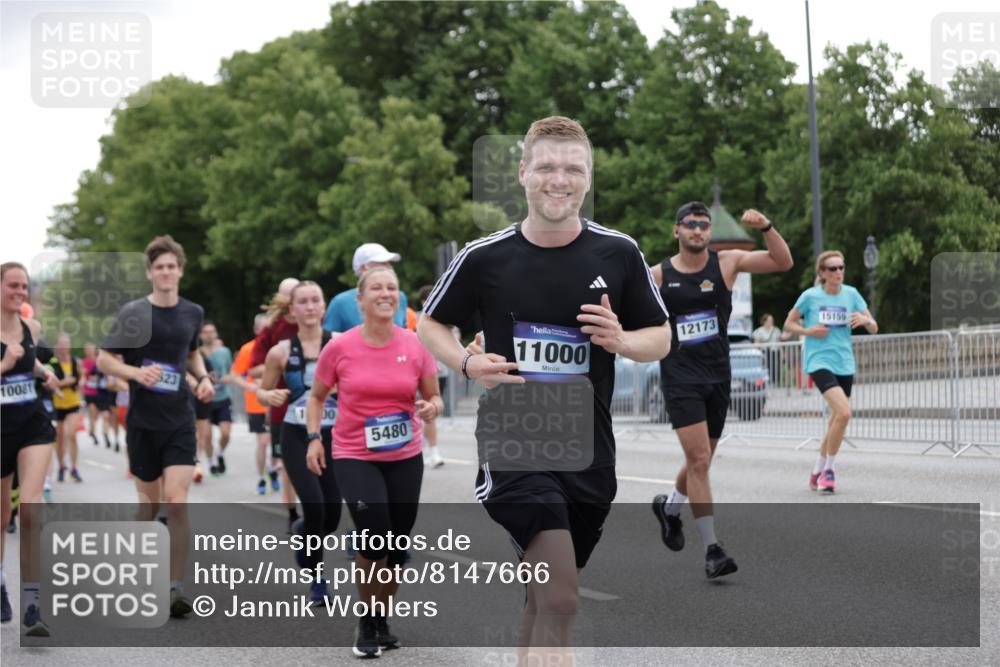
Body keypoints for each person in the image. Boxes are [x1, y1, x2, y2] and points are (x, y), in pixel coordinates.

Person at [418, 116, 670, 664]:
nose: (560, 179)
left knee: (544, 594)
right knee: (561, 596)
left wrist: (622, 340)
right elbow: (430, 323)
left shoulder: (619, 253)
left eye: (573, 168)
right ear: (523, 173)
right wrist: (467, 362)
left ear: (588, 177)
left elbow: (662, 338)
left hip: (589, 452)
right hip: (515, 445)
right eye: (548, 167)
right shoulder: (484, 257)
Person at [650, 202, 793, 578]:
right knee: (698, 460)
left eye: (704, 225)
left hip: (718, 374)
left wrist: (767, 226)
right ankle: (712, 549)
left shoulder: (727, 263)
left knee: (703, 460)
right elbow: (629, 308)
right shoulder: (659, 276)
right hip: (680, 376)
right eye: (690, 224)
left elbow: (783, 262)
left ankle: (670, 508)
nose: (698, 230)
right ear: (676, 230)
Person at [312, 266, 441, 658]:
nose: (386, 293)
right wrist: (313, 438)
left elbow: (434, 397)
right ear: (360, 300)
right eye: (377, 288)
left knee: (397, 544)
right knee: (374, 531)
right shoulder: (340, 347)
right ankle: (367, 620)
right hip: (354, 454)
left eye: (392, 288)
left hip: (404, 454)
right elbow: (317, 397)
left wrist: (430, 408)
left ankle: (381, 616)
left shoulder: (416, 344)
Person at [97, 235, 214, 618]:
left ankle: (175, 588)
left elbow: (192, 352)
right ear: (150, 273)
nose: (165, 272)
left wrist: (202, 377)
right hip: (144, 422)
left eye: (171, 266)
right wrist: (136, 373)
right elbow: (104, 360)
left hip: (179, 418)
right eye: (158, 267)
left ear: (180, 270)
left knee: (176, 502)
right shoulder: (134, 313)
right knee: (148, 507)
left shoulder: (192, 312)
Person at [256, 281, 342, 607]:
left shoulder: (340, 344)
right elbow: (261, 390)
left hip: (334, 434)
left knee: (331, 516)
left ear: (323, 306)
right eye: (302, 302)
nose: (309, 306)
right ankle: (318, 581)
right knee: (315, 504)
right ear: (292, 310)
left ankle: (304, 530)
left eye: (315, 300)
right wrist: (271, 394)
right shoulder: (280, 351)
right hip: (295, 434)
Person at [783, 250, 877, 493]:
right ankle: (829, 471)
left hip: (844, 362)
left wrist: (865, 320)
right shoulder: (810, 296)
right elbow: (789, 323)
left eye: (841, 268)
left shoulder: (852, 294)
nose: (838, 272)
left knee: (837, 418)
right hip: (819, 361)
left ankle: (816, 470)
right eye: (833, 269)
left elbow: (874, 327)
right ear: (822, 273)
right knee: (844, 413)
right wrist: (809, 331)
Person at [1, 261, 61, 635]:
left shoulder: (31, 327)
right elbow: (12, 361)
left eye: (24, 286)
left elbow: (31, 359)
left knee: (30, 509)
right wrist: (3, 363)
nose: (20, 292)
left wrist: (44, 373)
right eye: (13, 286)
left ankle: (33, 603)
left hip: (32, 424)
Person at [250, 278, 301, 531]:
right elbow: (255, 368)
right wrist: (280, 363)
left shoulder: (319, 325)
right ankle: (293, 515)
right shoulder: (273, 329)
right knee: (288, 466)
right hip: (284, 408)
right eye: (289, 298)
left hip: (321, 408)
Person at [229, 314, 280, 495]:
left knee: (276, 442)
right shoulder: (248, 349)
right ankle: (260, 476)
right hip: (257, 403)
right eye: (263, 328)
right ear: (256, 330)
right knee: (263, 441)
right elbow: (234, 375)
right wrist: (251, 386)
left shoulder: (278, 347)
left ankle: (273, 469)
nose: (267, 332)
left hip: (277, 402)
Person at [322, 243, 409, 332]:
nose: (389, 268)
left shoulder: (400, 297)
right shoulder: (340, 302)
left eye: (389, 264)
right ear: (363, 268)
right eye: (382, 264)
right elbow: (326, 338)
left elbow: (404, 334)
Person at [415, 285, 449, 468]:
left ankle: (433, 452)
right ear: (422, 301)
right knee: (418, 413)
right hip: (418, 371)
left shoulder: (446, 315)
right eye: (427, 299)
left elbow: (454, 339)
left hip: (440, 370)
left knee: (430, 412)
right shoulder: (416, 318)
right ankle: (420, 446)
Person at [200, 322, 233, 476]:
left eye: (211, 331)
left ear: (216, 333)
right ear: (200, 335)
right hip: (205, 399)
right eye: (205, 332)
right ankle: (210, 462)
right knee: (207, 436)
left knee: (226, 433)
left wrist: (228, 377)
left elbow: (232, 371)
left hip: (223, 398)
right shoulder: (197, 353)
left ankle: (219, 453)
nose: (209, 335)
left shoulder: (225, 352)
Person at [48, 334, 83, 483]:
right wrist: (65, 382)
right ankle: (62, 466)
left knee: (72, 434)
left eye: (66, 343)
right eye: (61, 344)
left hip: (73, 402)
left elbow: (81, 378)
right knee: (60, 438)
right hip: (58, 404)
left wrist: (80, 382)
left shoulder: (76, 361)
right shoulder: (53, 363)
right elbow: (50, 383)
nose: (64, 346)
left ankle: (74, 467)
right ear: (57, 346)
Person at [752, 314, 781, 385]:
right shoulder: (759, 331)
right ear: (764, 321)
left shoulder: (776, 330)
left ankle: (775, 383)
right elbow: (757, 343)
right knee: (765, 368)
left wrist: (782, 353)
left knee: (775, 367)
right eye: (769, 320)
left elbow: (779, 342)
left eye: (772, 320)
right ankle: (765, 383)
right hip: (764, 352)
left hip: (775, 352)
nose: (771, 322)